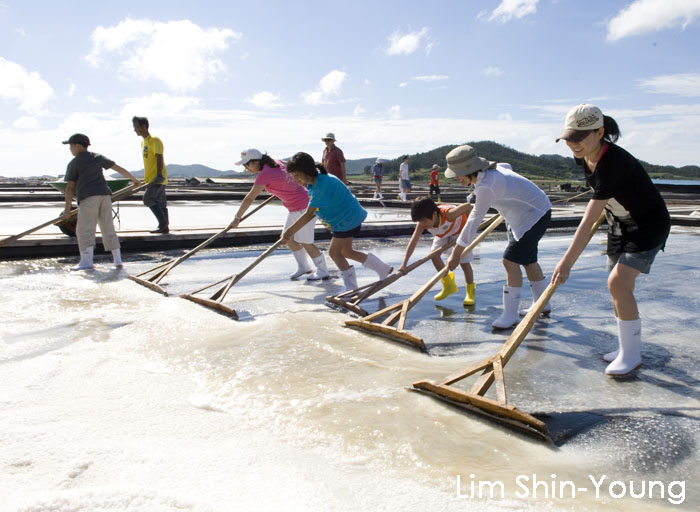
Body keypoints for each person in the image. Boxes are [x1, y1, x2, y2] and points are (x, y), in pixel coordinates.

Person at [551, 104, 671, 376]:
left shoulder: (612, 163)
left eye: (580, 138)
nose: (574, 145)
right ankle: (626, 347)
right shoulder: (584, 157)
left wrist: (567, 261)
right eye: (569, 138)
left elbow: (587, 218)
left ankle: (632, 355)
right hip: (618, 225)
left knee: (618, 282)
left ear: (600, 132)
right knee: (617, 288)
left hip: (648, 225)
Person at [445, 145, 552, 329]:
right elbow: (507, 166)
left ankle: (510, 315)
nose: (456, 178)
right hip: (526, 214)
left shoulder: (487, 186)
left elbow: (473, 221)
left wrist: (456, 254)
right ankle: (543, 304)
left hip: (534, 215)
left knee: (509, 261)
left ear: (469, 169)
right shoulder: (489, 172)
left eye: (458, 174)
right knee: (528, 260)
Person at [281, 152, 392, 293]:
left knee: (334, 253)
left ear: (306, 170)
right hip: (347, 217)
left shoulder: (321, 184)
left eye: (296, 175)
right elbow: (317, 210)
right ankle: (382, 268)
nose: (295, 179)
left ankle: (352, 289)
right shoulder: (315, 182)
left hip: (346, 219)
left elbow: (309, 214)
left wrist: (288, 232)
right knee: (346, 251)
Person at [231, 149, 329, 280]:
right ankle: (304, 267)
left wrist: (237, 218)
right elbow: (288, 168)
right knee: (287, 238)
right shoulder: (275, 162)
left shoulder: (264, 175)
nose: (246, 168)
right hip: (295, 206)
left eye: (246, 164)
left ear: (255, 162)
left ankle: (323, 270)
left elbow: (249, 198)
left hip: (304, 206)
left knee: (306, 242)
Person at [61, 133, 140, 270]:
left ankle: (86, 262)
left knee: (85, 229)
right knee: (108, 227)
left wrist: (67, 211)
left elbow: (69, 188)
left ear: (78, 146)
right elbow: (118, 168)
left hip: (88, 197)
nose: (70, 149)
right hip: (105, 196)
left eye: (71, 146)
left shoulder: (75, 162)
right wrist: (135, 180)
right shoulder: (97, 157)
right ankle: (118, 261)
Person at [398, 197, 476, 306]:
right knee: (433, 255)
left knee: (464, 261)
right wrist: (404, 264)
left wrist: (470, 228)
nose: (423, 224)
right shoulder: (422, 223)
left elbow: (467, 206)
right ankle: (449, 285)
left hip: (459, 230)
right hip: (442, 234)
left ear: (435, 214)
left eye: (425, 221)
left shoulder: (449, 214)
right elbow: (413, 242)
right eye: (420, 221)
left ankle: (470, 291)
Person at [133, 116, 169, 234]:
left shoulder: (154, 140)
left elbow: (159, 156)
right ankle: (164, 226)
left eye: (137, 127)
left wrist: (159, 175)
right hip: (150, 178)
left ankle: (163, 224)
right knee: (160, 202)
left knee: (148, 199)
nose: (135, 130)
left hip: (157, 178)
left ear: (144, 126)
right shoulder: (143, 142)